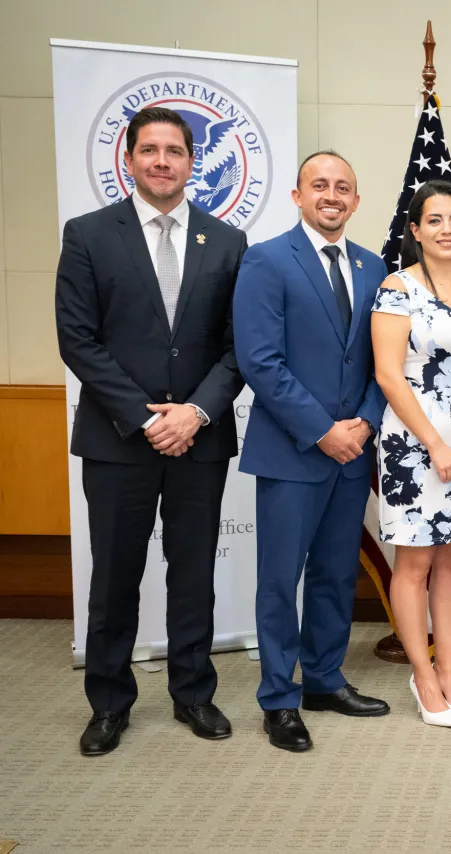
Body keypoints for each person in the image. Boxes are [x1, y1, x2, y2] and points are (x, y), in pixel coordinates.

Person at [55, 107, 248, 756]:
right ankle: (109, 703)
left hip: (200, 439)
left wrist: (195, 413)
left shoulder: (227, 241)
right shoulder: (87, 235)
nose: (162, 161)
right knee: (115, 573)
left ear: (193, 161)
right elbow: (78, 341)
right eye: (150, 150)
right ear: (129, 158)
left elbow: (238, 346)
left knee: (193, 571)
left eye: (174, 151)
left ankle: (193, 692)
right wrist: (145, 418)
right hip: (117, 440)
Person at [234, 150, 391, 752]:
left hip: (353, 452)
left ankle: (324, 678)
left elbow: (385, 364)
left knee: (334, 574)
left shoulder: (374, 267)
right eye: (319, 185)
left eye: (343, 187)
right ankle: (279, 697)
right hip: (293, 451)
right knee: (280, 579)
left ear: (356, 200)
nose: (332, 195)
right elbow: (260, 362)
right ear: (297, 196)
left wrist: (365, 426)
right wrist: (323, 429)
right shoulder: (267, 260)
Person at [371, 181, 451, 728]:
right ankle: (423, 676)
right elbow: (387, 374)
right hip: (414, 444)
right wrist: (435, 445)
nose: (448, 229)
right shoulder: (397, 287)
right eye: (436, 220)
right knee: (416, 561)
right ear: (416, 230)